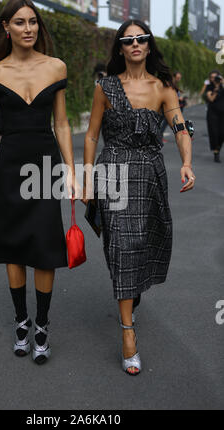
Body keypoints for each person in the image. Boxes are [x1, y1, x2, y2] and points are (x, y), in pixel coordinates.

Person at [0, 0, 77, 365]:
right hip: (10, 165)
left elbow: (61, 123)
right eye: (20, 23)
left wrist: (71, 170)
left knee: (44, 245)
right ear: (6, 29)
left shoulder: (56, 67)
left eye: (33, 22)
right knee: (13, 245)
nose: (29, 28)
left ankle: (41, 325)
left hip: (44, 165)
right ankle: (20, 321)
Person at [82, 20, 195, 376]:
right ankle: (128, 333)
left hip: (149, 177)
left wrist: (187, 162)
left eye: (141, 38)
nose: (135, 44)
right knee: (122, 247)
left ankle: (130, 297)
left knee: (142, 244)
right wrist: (87, 177)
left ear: (148, 46)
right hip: (113, 171)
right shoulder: (106, 87)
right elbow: (90, 136)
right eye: (128, 39)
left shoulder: (163, 88)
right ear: (120, 47)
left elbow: (179, 129)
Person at [206, 71, 224, 162]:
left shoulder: (223, 86)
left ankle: (218, 149)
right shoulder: (209, 87)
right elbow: (211, 99)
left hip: (222, 114)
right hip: (212, 114)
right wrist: (216, 89)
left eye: (216, 77)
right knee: (214, 133)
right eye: (212, 77)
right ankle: (216, 152)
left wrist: (223, 83)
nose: (214, 79)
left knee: (222, 134)